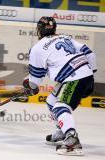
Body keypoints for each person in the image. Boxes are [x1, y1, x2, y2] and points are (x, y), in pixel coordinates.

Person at [23, 16, 97, 156]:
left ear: (39, 30)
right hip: (85, 74)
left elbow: (35, 81)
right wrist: (90, 76)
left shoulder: (37, 48)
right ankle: (61, 131)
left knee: (60, 107)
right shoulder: (65, 38)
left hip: (74, 78)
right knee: (51, 101)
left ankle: (71, 140)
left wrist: (29, 86)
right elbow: (90, 54)